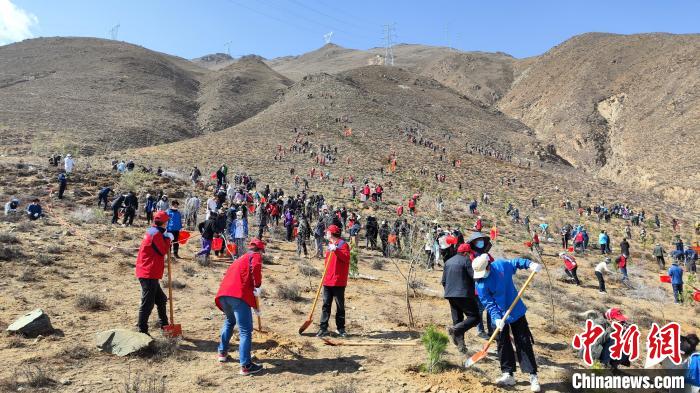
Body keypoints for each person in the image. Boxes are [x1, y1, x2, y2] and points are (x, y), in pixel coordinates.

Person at [471, 237, 542, 392]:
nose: (481, 276)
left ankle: (532, 376)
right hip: (498, 314)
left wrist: (529, 264)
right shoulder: (480, 283)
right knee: (502, 342)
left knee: (523, 341)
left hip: (515, 309)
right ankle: (508, 374)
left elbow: (516, 262)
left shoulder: (501, 266)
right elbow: (488, 303)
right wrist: (496, 318)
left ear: (489, 266)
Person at [214, 238, 264, 375]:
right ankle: (246, 366)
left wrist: (255, 307)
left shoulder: (241, 258)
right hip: (237, 296)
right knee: (245, 331)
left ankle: (222, 353)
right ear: (260, 250)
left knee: (230, 321)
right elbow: (256, 269)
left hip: (224, 294)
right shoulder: (255, 256)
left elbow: (244, 282)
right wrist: (258, 285)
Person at [134, 210, 173, 335]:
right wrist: (168, 239)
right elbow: (162, 250)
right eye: (167, 221)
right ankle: (142, 331)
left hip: (149, 271)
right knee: (147, 303)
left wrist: (165, 236)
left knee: (161, 299)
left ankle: (165, 326)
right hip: (148, 272)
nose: (167, 223)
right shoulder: (155, 234)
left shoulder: (153, 231)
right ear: (164, 222)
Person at [441, 243, 480, 354]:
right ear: (466, 253)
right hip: (464, 294)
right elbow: (474, 277)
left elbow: (443, 281)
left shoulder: (448, 262)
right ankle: (454, 330)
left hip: (450, 294)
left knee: (458, 320)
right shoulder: (467, 261)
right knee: (475, 317)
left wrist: (449, 291)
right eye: (469, 253)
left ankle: (461, 347)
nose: (470, 255)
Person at [317, 225, 351, 338]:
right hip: (327, 280)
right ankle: (323, 328)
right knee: (326, 305)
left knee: (339, 306)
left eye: (327, 232)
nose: (326, 234)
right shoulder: (330, 246)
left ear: (331, 234)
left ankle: (340, 329)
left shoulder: (343, 245)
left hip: (338, 281)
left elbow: (346, 258)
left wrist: (336, 250)